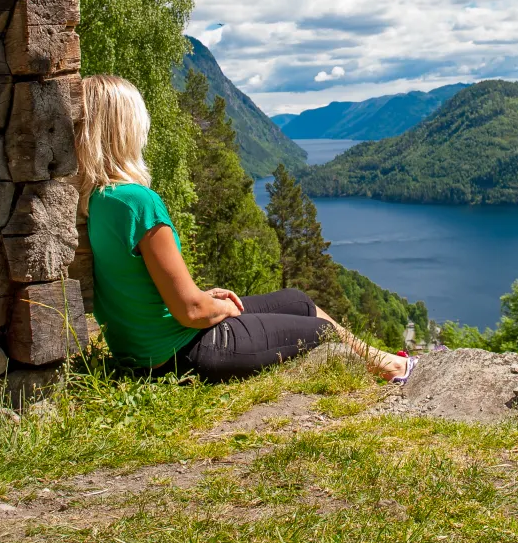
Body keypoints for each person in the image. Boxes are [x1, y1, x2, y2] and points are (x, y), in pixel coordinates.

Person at [77, 74, 416, 384]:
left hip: (143, 350)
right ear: (125, 130)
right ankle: (394, 368)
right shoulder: (138, 202)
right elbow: (192, 312)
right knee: (322, 329)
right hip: (186, 353)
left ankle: (382, 360)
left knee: (298, 302)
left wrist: (203, 297)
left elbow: (140, 286)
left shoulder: (99, 200)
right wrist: (219, 308)